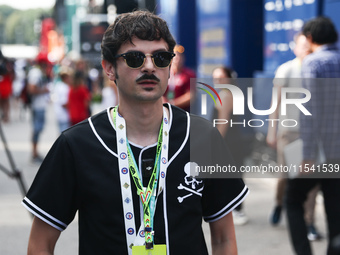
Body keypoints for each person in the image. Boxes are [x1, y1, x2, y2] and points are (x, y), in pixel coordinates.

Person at [22, 10, 248, 255]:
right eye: (134, 58)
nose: (150, 66)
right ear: (109, 68)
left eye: (161, 57)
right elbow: (40, 244)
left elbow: (224, 239)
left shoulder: (203, 136)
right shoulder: (76, 145)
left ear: (170, 66)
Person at [285, 16, 340, 255]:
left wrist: (306, 156)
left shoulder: (313, 63)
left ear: (309, 38)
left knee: (292, 201)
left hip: (319, 155)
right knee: (336, 213)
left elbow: (308, 113)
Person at [266, 33, 322, 240]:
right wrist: (272, 131)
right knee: (285, 177)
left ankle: (310, 222)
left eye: (310, 46)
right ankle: (280, 203)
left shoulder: (318, 70)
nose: (306, 49)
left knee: (312, 181)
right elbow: (276, 103)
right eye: (303, 46)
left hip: (313, 135)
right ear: (295, 48)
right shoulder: (286, 69)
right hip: (289, 133)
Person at [212, 66, 248, 225]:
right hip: (234, 141)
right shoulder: (230, 93)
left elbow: (223, 122)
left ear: (229, 78)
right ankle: (235, 209)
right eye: (215, 78)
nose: (217, 81)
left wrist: (216, 143)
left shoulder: (226, 95)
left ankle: (236, 210)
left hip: (229, 142)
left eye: (221, 77)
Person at [27, 53, 50, 163]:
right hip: (37, 106)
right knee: (36, 129)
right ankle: (34, 154)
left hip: (39, 105)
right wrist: (44, 91)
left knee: (37, 129)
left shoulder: (37, 72)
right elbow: (31, 89)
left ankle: (35, 153)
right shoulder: (36, 73)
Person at [163, 44, 195, 112]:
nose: (178, 60)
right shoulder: (164, 73)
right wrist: (164, 103)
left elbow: (190, 96)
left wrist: (173, 104)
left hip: (182, 111)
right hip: (165, 110)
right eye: (175, 57)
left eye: (180, 56)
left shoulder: (189, 74)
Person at [53, 66, 73, 132]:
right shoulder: (63, 88)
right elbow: (64, 103)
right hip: (64, 116)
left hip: (61, 115)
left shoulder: (60, 86)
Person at [0, 50, 14, 123]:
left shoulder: (6, 64)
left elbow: (11, 74)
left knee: (5, 100)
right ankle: (5, 115)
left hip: (5, 84)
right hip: (4, 84)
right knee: (3, 101)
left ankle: (6, 116)